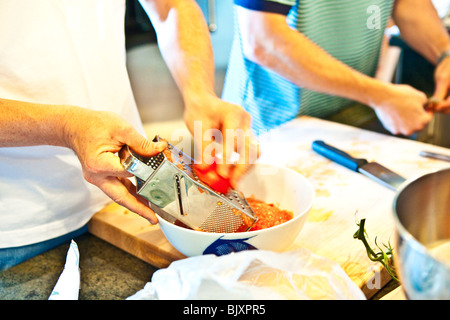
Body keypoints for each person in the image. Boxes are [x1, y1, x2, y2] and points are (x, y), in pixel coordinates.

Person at [0, 0, 255, 271]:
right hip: (24, 227)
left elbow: (171, 7)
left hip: (128, 199)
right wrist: (65, 127)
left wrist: (199, 93)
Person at [222, 0, 450, 136]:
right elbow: (263, 40)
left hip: (350, 116)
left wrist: (445, 53)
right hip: (270, 129)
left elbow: (405, 3)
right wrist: (380, 95)